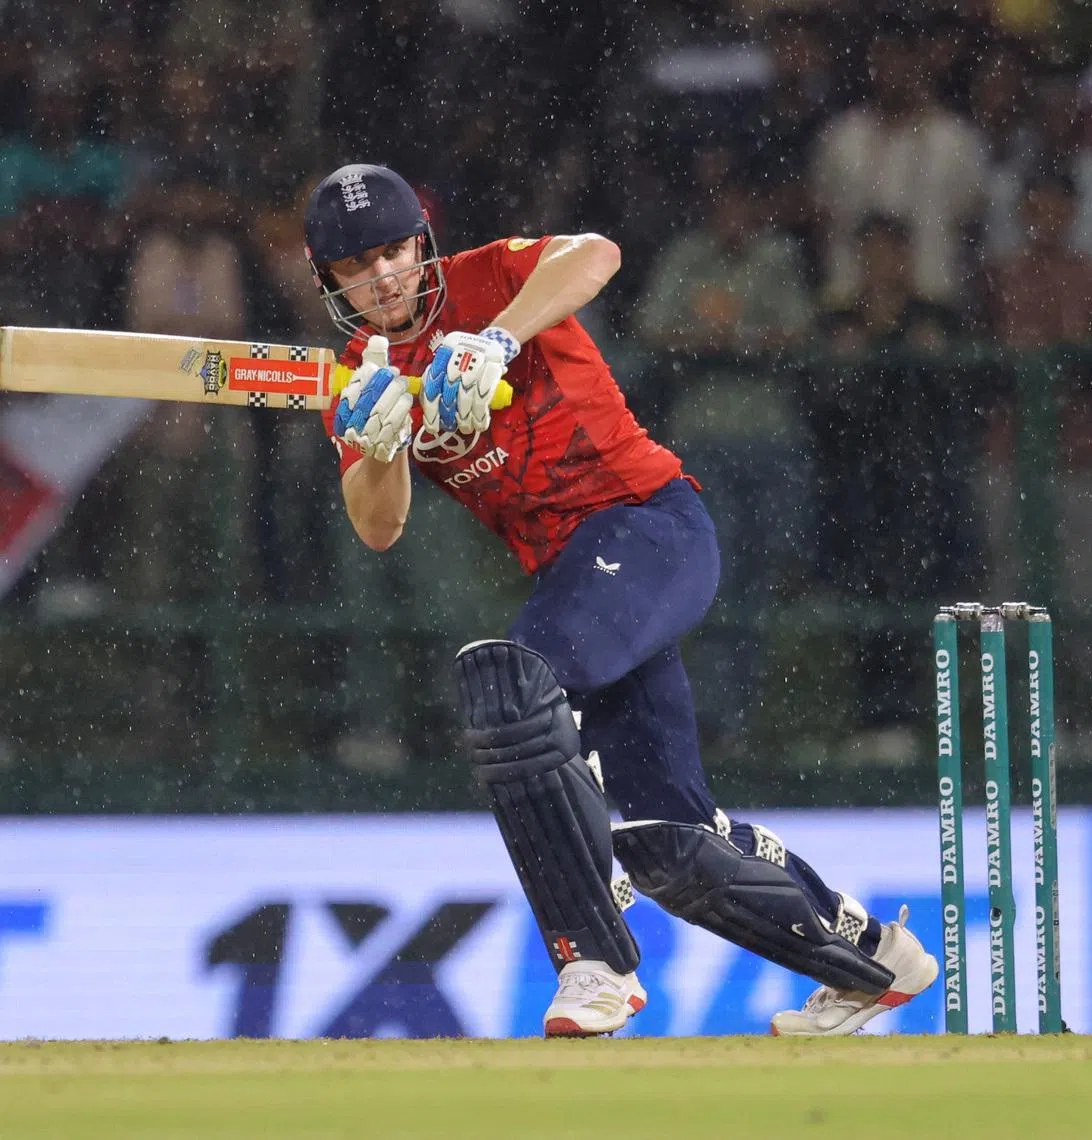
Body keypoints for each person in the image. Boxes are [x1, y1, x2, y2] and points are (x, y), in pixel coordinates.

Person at [301, 162, 938, 1038]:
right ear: (328, 280)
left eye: (393, 251)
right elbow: (378, 528)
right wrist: (379, 445)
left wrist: (495, 338)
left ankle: (594, 966)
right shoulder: (359, 371)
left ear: (422, 243)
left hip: (650, 530)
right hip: (582, 585)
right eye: (354, 265)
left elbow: (595, 254)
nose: (381, 278)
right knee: (668, 839)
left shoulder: (490, 278)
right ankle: (873, 959)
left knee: (509, 683)